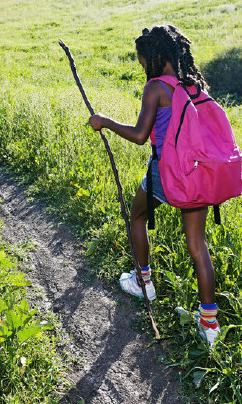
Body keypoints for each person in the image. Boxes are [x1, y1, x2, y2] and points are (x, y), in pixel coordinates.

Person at [88, 24, 221, 347]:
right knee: (198, 244)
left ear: (154, 57)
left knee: (137, 216)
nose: (143, 67)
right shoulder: (193, 86)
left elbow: (139, 135)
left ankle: (143, 283)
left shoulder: (156, 88)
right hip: (198, 173)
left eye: (143, 61)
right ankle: (210, 325)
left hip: (167, 172)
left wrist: (104, 121)